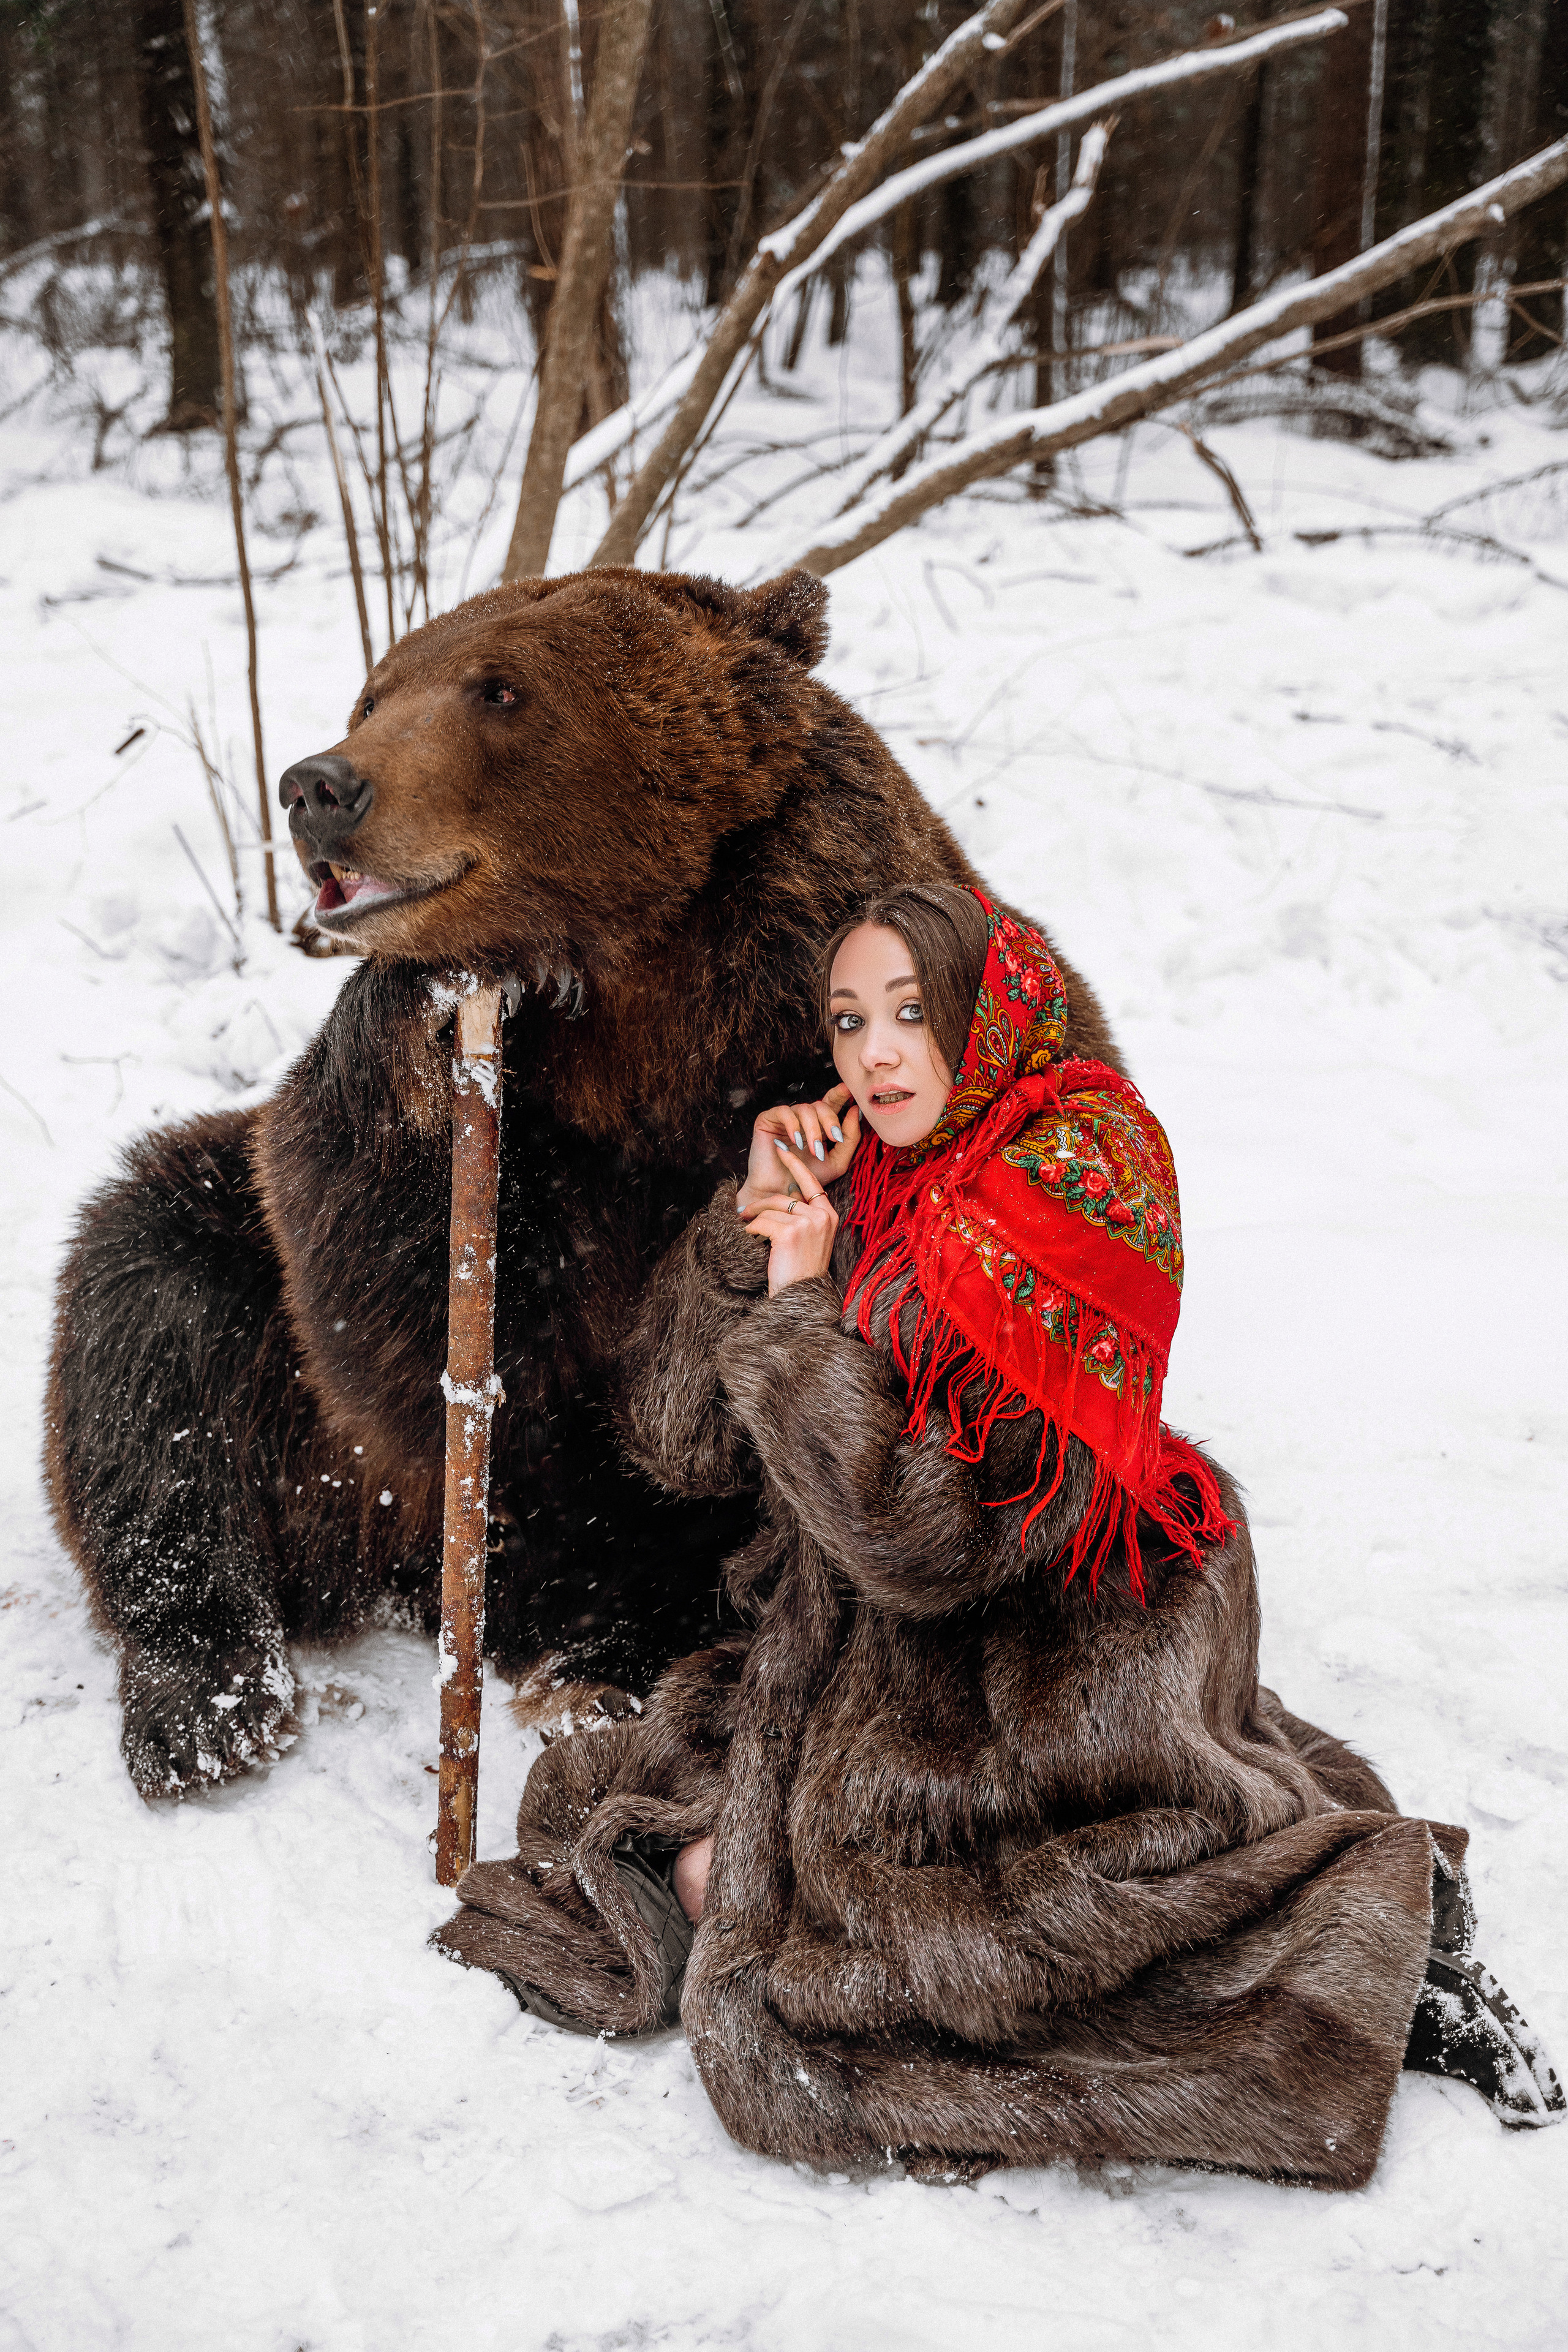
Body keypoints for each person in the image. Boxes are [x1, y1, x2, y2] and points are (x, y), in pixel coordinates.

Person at [435, 885, 1562, 2187]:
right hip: (866, 1646)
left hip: (1043, 1666)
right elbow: (681, 1445)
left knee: (839, 1954)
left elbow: (929, 1549)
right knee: (673, 1860)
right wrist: (751, 1240)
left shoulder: (1068, 1183)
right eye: (849, 1019)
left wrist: (805, 1313)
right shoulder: (876, 1182)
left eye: (914, 1013)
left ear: (990, 1013)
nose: (874, 1053)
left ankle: (1372, 1939)